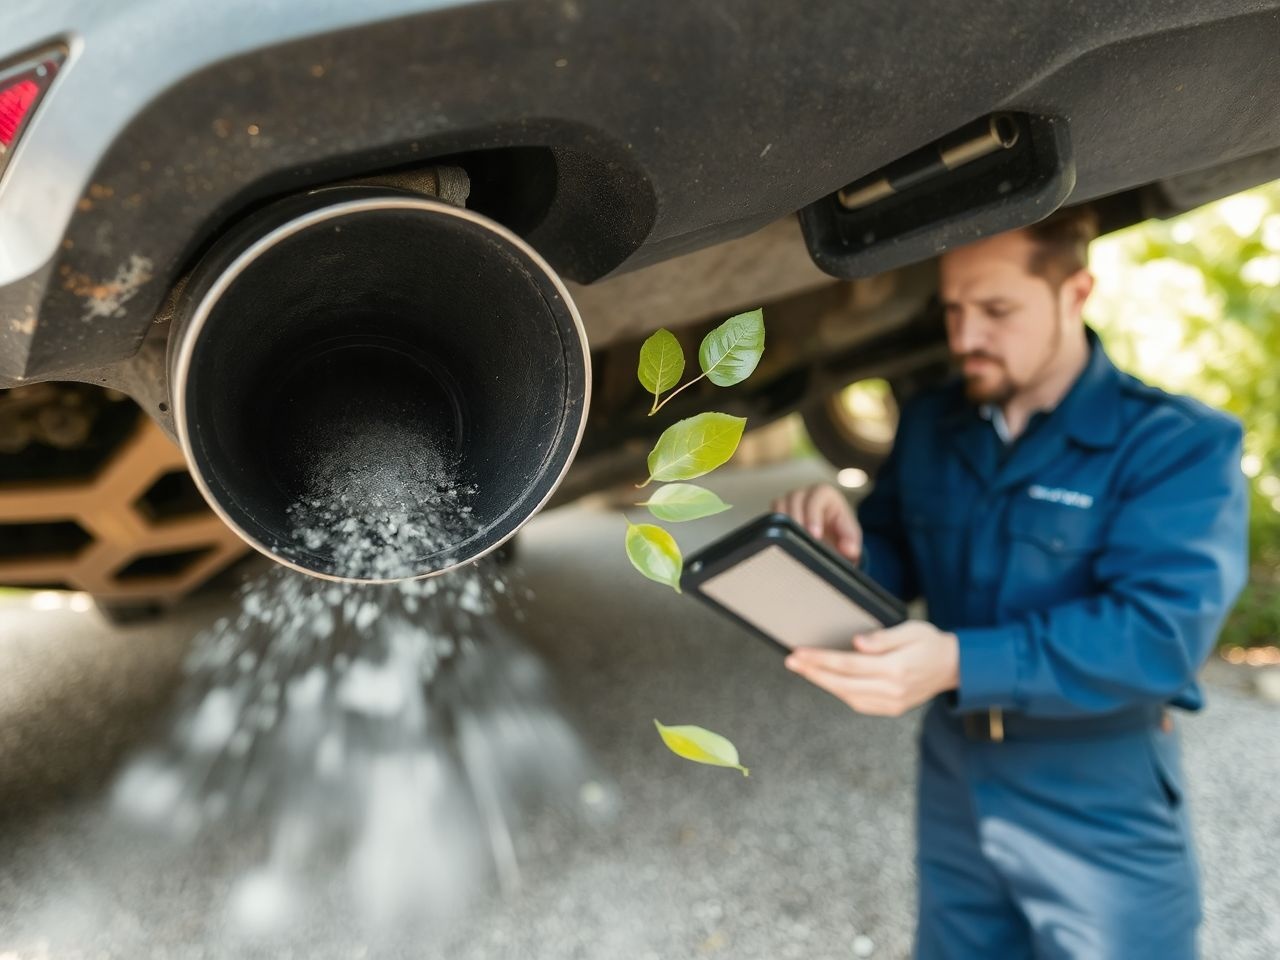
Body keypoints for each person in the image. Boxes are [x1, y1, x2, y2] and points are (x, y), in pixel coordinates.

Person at [773, 206, 1249, 960]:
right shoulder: (933, 424)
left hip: (1099, 786)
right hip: (954, 771)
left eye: (996, 310)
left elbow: (1160, 637)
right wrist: (844, 550)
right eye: (955, 309)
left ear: (1076, 293)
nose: (964, 338)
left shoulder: (1177, 446)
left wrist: (960, 661)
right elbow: (894, 551)